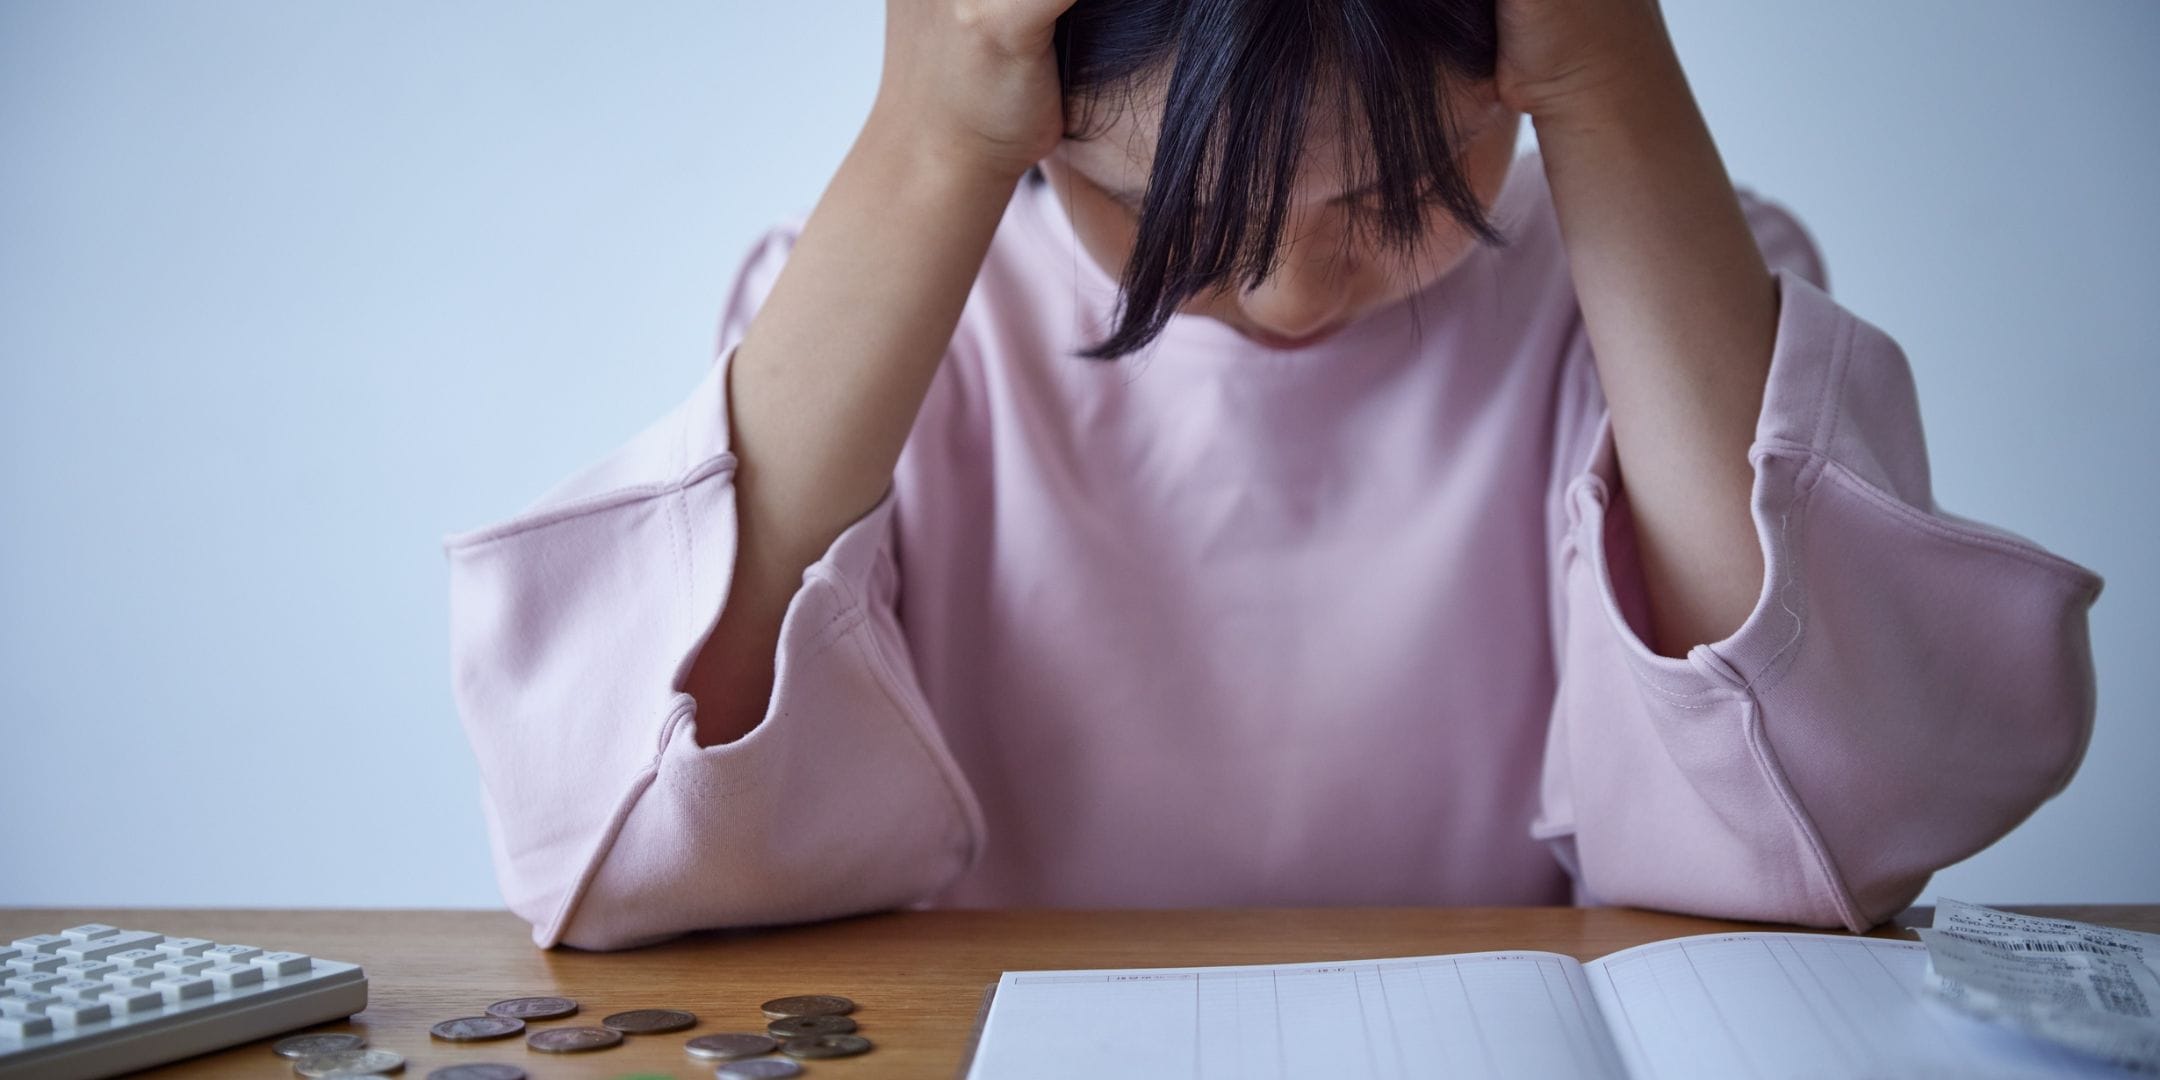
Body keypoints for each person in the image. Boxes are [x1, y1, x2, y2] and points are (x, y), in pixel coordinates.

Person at [443, 0, 2104, 951]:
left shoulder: (1649, 297)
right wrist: (922, 137)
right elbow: (627, 835)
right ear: (1031, 124)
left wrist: (1617, 73)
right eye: (1162, 215)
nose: (1293, 294)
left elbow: (1838, 805)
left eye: (1401, 190)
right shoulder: (907, 328)